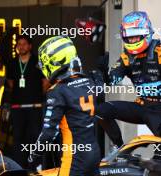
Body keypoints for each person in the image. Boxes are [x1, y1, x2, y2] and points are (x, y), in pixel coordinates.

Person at [96, 11, 161, 161]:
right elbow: (113, 81)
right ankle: (121, 150)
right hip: (140, 106)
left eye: (136, 35)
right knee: (101, 110)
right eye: (130, 36)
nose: (133, 39)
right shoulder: (126, 57)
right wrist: (103, 73)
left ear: (146, 32)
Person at [28, 36, 101, 176]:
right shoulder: (89, 82)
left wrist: (34, 155)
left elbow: (49, 132)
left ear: (54, 62)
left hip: (75, 157)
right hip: (94, 152)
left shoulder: (57, 91)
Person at [6, 35, 49, 169]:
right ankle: (19, 166)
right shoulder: (12, 63)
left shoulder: (38, 62)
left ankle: (35, 165)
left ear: (30, 46)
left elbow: (45, 82)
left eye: (24, 44)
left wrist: (35, 95)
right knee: (18, 137)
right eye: (19, 44)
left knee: (35, 136)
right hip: (17, 107)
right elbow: (11, 82)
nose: (21, 46)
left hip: (35, 106)